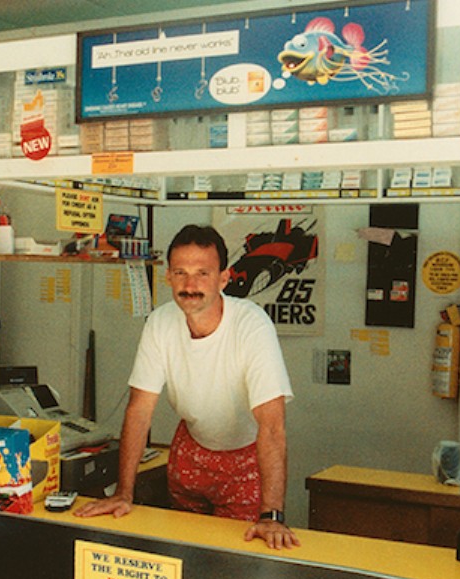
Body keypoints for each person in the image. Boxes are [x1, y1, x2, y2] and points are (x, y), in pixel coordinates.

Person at [75, 224, 299, 549]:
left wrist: (272, 515)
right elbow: (139, 410)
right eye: (180, 273)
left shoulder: (252, 326)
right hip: (190, 454)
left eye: (202, 273)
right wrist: (124, 492)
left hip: (244, 461)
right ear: (167, 277)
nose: (190, 285)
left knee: (234, 556)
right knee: (186, 552)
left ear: (224, 278)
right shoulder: (160, 323)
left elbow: (273, 425)